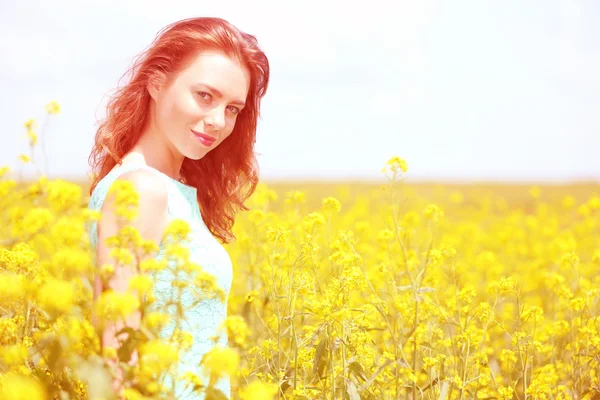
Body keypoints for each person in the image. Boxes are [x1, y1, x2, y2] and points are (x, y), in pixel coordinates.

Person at [87, 17, 270, 399]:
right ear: (156, 82)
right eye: (204, 95)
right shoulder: (141, 189)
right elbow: (117, 362)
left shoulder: (168, 189)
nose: (218, 121)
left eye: (233, 108)